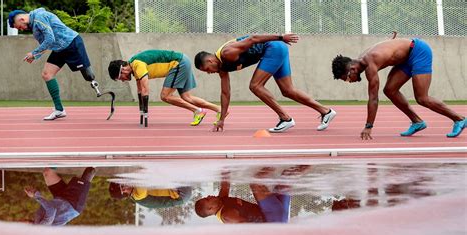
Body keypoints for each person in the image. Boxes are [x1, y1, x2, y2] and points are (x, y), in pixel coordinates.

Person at [194, 34, 336, 133]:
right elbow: (225, 93)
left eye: (207, 69)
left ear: (210, 61)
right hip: (277, 49)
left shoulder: (227, 53)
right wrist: (222, 119)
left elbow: (253, 38)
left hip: (273, 47)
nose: (209, 73)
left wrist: (281, 37)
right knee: (288, 90)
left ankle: (285, 118)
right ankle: (326, 111)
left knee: (255, 86)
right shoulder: (222, 68)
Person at [331, 37, 465, 139]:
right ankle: (417, 122)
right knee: (390, 90)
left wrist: (368, 126)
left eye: (348, 79)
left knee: (422, 98)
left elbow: (373, 99)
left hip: (419, 52)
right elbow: (381, 46)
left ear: (352, 69)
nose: (350, 82)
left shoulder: (370, 65)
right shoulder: (361, 59)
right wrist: (392, 41)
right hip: (405, 59)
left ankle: (459, 119)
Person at [8, 9, 103, 120]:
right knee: (47, 74)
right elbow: (46, 44)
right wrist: (35, 56)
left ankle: (96, 86)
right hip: (59, 49)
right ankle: (59, 110)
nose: (21, 29)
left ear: (21, 19)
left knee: (88, 75)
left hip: (72, 43)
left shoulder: (39, 18)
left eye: (19, 27)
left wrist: (33, 53)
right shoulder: (34, 26)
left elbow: (50, 39)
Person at [108, 50, 221, 127]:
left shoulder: (137, 64)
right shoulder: (134, 66)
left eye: (120, 78)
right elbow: (139, 90)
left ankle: (198, 111)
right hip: (183, 61)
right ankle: (219, 110)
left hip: (178, 63)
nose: (122, 80)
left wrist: (145, 113)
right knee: (187, 97)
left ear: (122, 70)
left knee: (165, 96)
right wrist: (142, 112)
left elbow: (145, 90)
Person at [195, 167, 291, 223]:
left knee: (289, 174)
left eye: (206, 197)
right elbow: (247, 228)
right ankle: (273, 159)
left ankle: (305, 161)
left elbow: (225, 185)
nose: (209, 196)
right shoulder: (226, 215)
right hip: (272, 219)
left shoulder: (221, 200)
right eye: (207, 199)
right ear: (210, 208)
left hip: (276, 216)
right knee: (255, 182)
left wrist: (225, 165)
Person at [23, 167, 96, 226]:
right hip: (72, 204)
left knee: (47, 172)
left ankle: (58, 152)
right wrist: (35, 195)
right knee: (89, 170)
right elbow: (51, 210)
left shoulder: (35, 223)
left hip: (59, 199)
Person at [108, 182, 192, 209]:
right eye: (122, 184)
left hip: (182, 196)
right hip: (181, 195)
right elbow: (142, 177)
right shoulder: (138, 194)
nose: (126, 182)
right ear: (123, 190)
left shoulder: (136, 196)